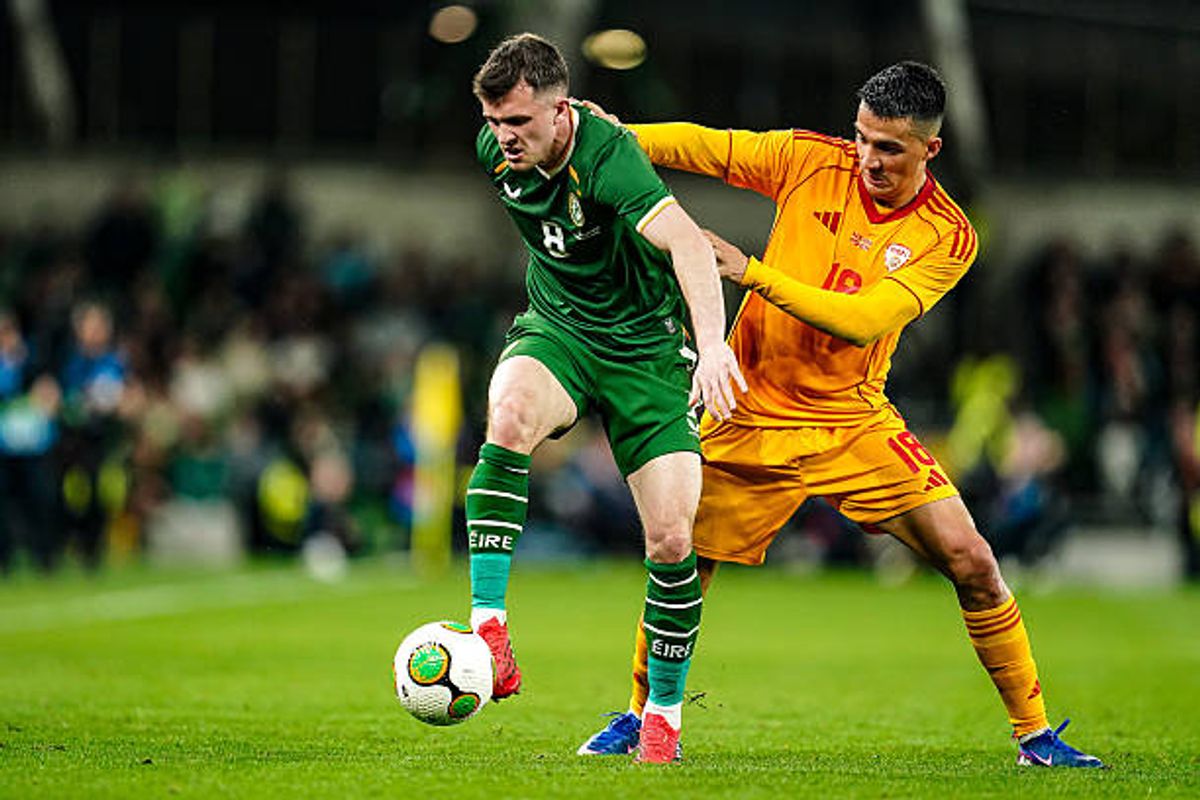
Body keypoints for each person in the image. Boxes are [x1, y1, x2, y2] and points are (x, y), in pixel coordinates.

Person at [577, 61, 1103, 768]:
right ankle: (641, 717)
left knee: (973, 559)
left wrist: (751, 271)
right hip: (750, 406)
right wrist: (602, 135)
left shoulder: (948, 236)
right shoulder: (808, 161)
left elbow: (864, 319)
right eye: (861, 138)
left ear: (929, 150)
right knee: (681, 564)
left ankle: (1036, 737)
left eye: (888, 147)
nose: (867, 158)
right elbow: (705, 145)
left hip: (853, 419)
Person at [467, 33, 746, 763]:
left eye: (522, 123)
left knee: (672, 540)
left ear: (562, 112)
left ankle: (662, 715)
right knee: (508, 416)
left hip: (647, 353)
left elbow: (687, 243)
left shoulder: (608, 155)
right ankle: (488, 628)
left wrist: (712, 344)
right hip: (559, 330)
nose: (506, 138)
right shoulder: (494, 151)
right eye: (496, 123)